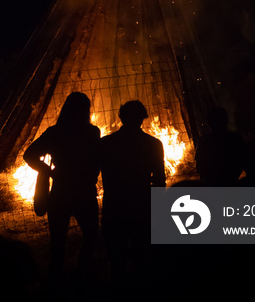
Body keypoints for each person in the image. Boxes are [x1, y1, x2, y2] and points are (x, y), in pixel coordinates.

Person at [23, 92, 100, 288]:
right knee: (91, 236)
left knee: (58, 241)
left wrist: (48, 171)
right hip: (84, 191)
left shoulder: (55, 132)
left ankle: (55, 280)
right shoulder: (92, 132)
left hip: (61, 191)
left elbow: (30, 154)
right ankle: (80, 273)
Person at [99, 100, 165, 290]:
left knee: (116, 259)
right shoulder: (153, 144)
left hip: (115, 205)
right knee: (141, 256)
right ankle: (139, 291)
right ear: (142, 119)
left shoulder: (107, 143)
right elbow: (159, 179)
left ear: (121, 118)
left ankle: (118, 292)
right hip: (142, 206)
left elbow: (94, 172)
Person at [194, 106, 246, 185]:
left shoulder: (204, 141)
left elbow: (199, 167)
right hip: (232, 181)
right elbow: (244, 160)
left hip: (212, 184)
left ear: (208, 123)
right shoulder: (235, 138)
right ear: (226, 120)